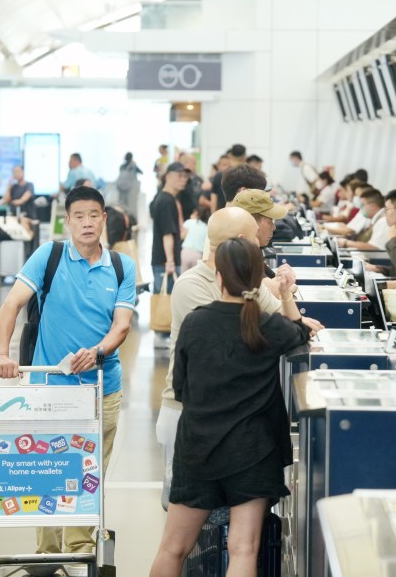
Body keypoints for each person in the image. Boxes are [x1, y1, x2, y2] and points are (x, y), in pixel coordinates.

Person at [149, 237, 309, 577]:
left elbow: (180, 388)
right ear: (256, 279)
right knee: (243, 550)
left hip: (198, 450)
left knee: (173, 548)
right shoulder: (267, 325)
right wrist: (284, 293)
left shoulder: (195, 322)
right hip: (253, 452)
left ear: (219, 277)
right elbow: (300, 333)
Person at [0, 185, 136, 557]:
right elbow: (12, 304)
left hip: (102, 389)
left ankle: (77, 551)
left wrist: (98, 351)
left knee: (87, 473)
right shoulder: (48, 256)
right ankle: (46, 553)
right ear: (68, 221)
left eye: (94, 215)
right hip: (50, 390)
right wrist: (0, 353)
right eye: (79, 216)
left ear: (104, 219)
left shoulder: (122, 266)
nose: (87, 223)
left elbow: (121, 326)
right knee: (49, 468)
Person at [151, 161, 187, 316]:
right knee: (165, 300)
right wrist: (170, 261)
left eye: (185, 176)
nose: (183, 179)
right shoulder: (166, 200)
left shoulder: (164, 198)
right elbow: (167, 233)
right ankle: (162, 335)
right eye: (179, 175)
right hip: (165, 261)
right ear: (168, 177)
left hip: (164, 259)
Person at [209, 144, 246, 212]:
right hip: (240, 215)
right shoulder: (247, 175)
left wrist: (213, 216)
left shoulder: (219, 175)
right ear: (244, 157)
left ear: (230, 155)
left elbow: (213, 200)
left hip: (221, 214)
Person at [181, 206, 209, 272]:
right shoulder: (207, 227)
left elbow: (182, 236)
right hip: (198, 255)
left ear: (196, 213)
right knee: (194, 276)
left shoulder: (189, 222)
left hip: (186, 252)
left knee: (183, 277)